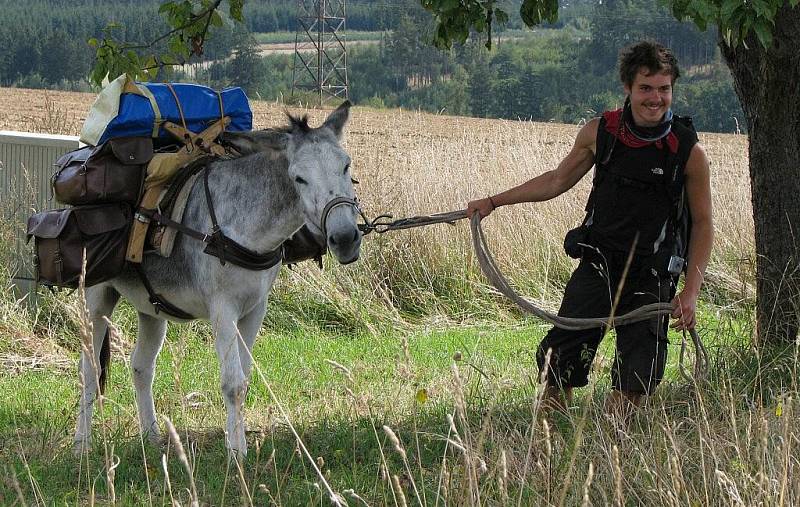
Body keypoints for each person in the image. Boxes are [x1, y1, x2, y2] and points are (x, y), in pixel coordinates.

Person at [467, 41, 713, 417]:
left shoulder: (687, 151)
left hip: (652, 275)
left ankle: (614, 454)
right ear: (628, 88)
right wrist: (493, 202)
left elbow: (703, 223)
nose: (655, 98)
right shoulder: (601, 133)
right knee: (559, 362)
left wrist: (691, 293)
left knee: (637, 377)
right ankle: (547, 443)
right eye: (646, 88)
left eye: (664, 89)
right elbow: (555, 181)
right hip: (598, 263)